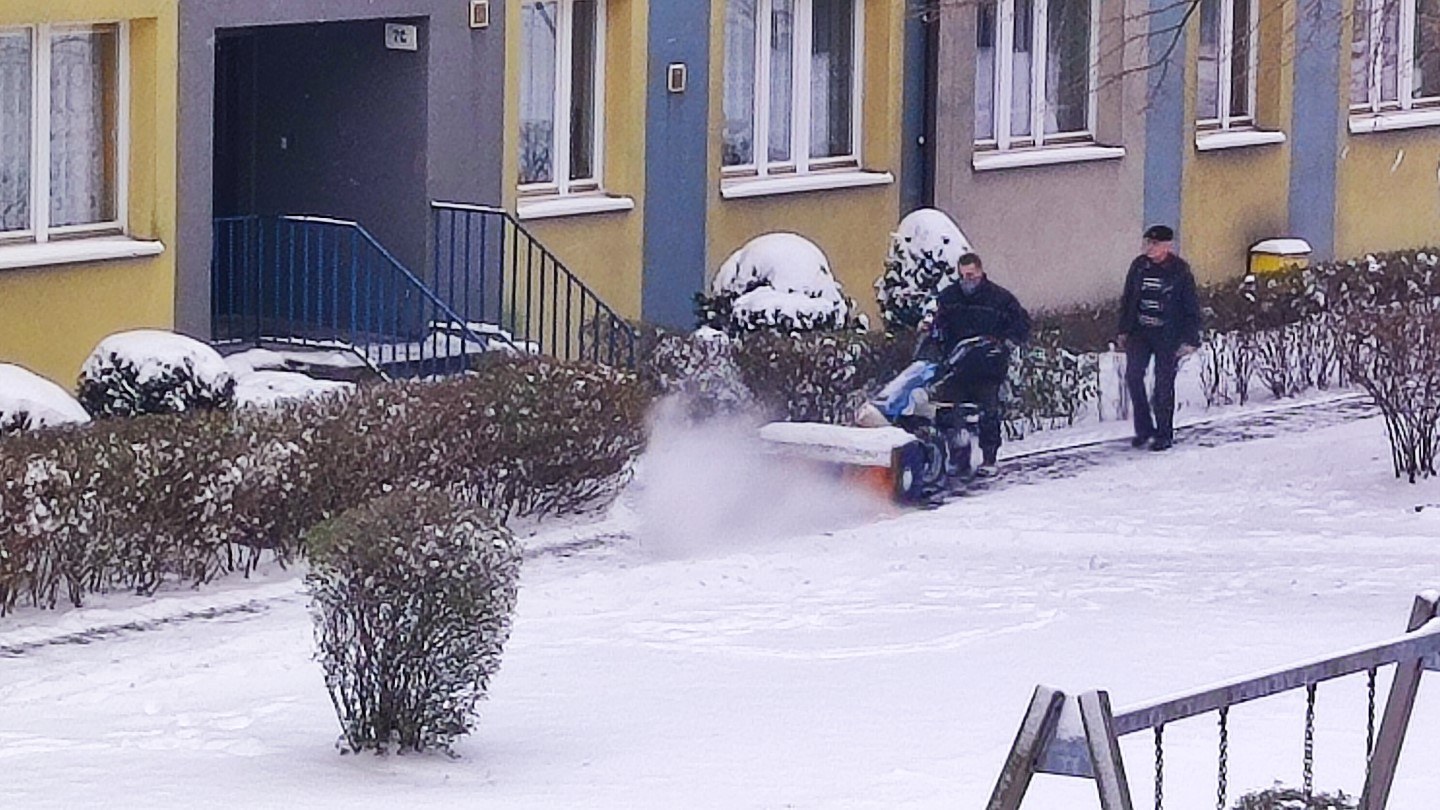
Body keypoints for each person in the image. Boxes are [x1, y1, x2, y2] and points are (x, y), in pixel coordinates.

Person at [920, 252, 1031, 477]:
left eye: (971, 275)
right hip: (956, 366)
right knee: (949, 412)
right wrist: (930, 331)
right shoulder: (949, 297)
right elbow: (938, 324)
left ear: (980, 272)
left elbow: (1022, 322)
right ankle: (958, 456)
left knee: (988, 411)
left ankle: (989, 457)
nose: (966, 281)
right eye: (962, 276)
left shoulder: (999, 299)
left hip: (987, 367)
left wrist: (1007, 343)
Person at [1117, 225, 1201, 452]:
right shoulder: (1139, 266)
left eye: (1154, 244)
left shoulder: (1180, 271)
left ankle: (1164, 433)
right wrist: (1123, 330)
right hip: (1140, 332)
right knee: (1134, 377)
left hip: (1167, 335)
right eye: (1147, 243)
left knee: (1163, 384)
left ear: (1167, 246)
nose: (1149, 248)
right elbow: (1128, 300)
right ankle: (1144, 430)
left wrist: (1190, 339)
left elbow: (1191, 306)